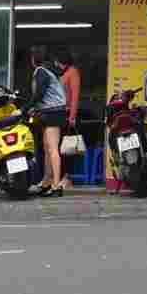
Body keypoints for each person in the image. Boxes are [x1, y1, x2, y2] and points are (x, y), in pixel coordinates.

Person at [28, 45, 68, 197]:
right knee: (47, 148)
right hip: (51, 112)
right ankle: (46, 181)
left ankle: (56, 185)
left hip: (53, 113)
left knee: (52, 149)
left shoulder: (41, 72)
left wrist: (25, 109)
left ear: (33, 60)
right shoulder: (49, 70)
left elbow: (39, 94)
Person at [56, 44, 81, 192]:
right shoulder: (61, 73)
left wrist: (72, 116)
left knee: (66, 148)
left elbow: (75, 96)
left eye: (57, 61)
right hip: (57, 113)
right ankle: (58, 177)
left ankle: (66, 177)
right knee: (57, 147)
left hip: (66, 114)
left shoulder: (73, 72)